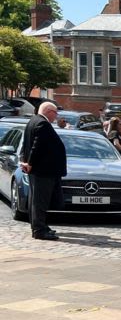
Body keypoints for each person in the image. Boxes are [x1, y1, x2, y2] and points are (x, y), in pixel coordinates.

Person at [19, 102, 66, 241]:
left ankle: (40, 225)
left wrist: (25, 161)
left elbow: (26, 145)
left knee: (37, 200)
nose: (56, 116)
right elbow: (36, 146)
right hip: (43, 170)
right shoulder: (42, 124)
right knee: (40, 201)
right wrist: (30, 163)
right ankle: (39, 229)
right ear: (49, 111)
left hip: (39, 169)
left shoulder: (33, 121)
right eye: (55, 113)